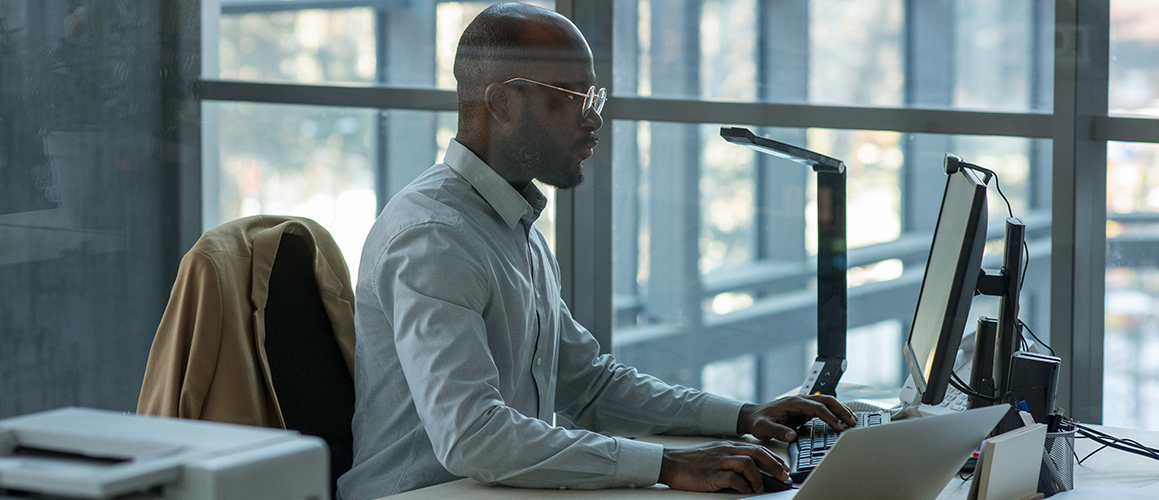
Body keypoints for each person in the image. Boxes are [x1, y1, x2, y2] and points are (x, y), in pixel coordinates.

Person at [336, 3, 856, 499]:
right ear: (502, 102)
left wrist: (743, 416)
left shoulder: (514, 225)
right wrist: (669, 466)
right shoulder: (434, 237)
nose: (594, 119)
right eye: (573, 96)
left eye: (595, 97)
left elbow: (589, 385)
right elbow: (474, 436)